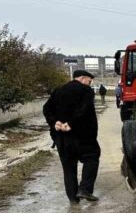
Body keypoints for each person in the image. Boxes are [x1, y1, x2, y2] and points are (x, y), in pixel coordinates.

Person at [43, 70, 101, 204]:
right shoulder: (86, 91)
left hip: (61, 137)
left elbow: (46, 108)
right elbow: (84, 110)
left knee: (68, 167)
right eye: (89, 81)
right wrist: (71, 124)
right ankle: (85, 189)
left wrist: (54, 122)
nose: (90, 84)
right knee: (92, 157)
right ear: (82, 78)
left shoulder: (58, 90)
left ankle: (73, 199)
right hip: (82, 135)